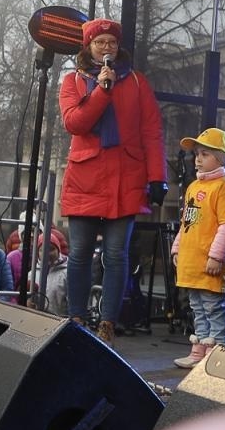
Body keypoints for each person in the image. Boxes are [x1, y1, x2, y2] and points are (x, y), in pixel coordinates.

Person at [59, 17, 168, 345]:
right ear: (88, 46)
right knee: (78, 253)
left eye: (111, 42)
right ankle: (75, 317)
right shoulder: (73, 81)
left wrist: (157, 177)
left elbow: (152, 131)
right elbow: (75, 123)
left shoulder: (136, 82)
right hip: (86, 178)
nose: (106, 47)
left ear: (118, 46)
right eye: (99, 42)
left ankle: (107, 323)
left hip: (126, 178)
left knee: (116, 254)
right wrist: (102, 91)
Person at [172, 128, 225, 369]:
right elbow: (186, 223)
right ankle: (199, 351)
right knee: (198, 309)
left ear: (222, 158)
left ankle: (219, 356)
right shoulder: (193, 187)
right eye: (196, 154)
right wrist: (177, 248)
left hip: (210, 264)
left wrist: (215, 256)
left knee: (214, 308)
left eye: (205, 154)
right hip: (192, 263)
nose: (198, 159)